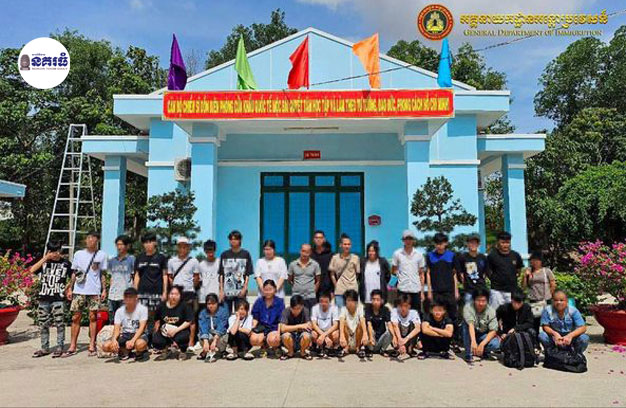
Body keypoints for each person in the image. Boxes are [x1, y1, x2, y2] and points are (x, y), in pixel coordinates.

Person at [67, 231, 108, 357]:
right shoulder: (78, 254)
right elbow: (74, 273)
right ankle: (72, 345)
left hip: (94, 291)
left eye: (93, 238)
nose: (90, 240)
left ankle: (91, 345)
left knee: (93, 317)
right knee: (75, 317)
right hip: (79, 290)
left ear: (97, 240)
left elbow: (102, 274)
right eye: (88, 238)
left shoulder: (102, 255)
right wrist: (70, 288)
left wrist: (104, 289)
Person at [30, 241, 72, 358]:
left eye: (57, 251)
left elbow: (74, 275)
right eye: (52, 251)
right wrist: (45, 258)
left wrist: (69, 288)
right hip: (44, 297)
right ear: (49, 251)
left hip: (58, 297)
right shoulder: (44, 262)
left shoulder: (65, 263)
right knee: (43, 324)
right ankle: (45, 348)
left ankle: (60, 347)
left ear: (60, 251)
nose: (55, 254)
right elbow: (31, 270)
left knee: (59, 323)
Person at [167, 237, 200, 352]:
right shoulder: (171, 261)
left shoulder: (194, 261)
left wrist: (191, 287)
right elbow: (170, 277)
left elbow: (196, 277)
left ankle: (191, 341)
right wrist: (175, 289)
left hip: (189, 292)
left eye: (185, 246)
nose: (182, 248)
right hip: (176, 294)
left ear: (189, 247)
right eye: (180, 246)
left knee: (191, 319)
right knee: (176, 318)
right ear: (177, 247)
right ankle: (175, 342)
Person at [102, 287, 149, 361]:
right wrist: (114, 340)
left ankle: (139, 352)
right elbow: (116, 329)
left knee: (140, 344)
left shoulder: (143, 310)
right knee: (106, 346)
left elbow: (142, 328)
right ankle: (124, 351)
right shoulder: (119, 311)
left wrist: (133, 340)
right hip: (125, 334)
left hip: (138, 335)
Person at [134, 232, 168, 330]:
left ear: (155, 243)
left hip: (156, 292)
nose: (148, 244)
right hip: (142, 292)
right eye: (145, 242)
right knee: (143, 316)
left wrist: (165, 292)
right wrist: (135, 291)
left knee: (156, 317)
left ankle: (154, 336)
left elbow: (164, 275)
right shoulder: (139, 258)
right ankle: (144, 336)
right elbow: (137, 275)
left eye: (150, 242)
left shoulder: (161, 258)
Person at [539, 290, 589, 354]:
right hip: (555, 337)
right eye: (556, 300)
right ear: (552, 301)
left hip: (570, 336)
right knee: (542, 336)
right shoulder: (547, 310)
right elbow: (545, 327)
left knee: (584, 338)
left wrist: (570, 336)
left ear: (567, 301)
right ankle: (550, 353)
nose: (559, 302)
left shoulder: (573, 311)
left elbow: (583, 328)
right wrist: (555, 334)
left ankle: (577, 354)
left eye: (561, 300)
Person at [152, 285, 194, 360]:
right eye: (171, 294)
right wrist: (157, 332)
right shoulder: (161, 306)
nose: (174, 296)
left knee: (183, 338)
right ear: (168, 295)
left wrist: (175, 330)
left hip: (180, 330)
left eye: (176, 294)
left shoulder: (184, 305)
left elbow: (188, 321)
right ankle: (165, 350)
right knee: (156, 340)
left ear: (180, 295)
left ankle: (183, 351)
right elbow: (157, 320)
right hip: (165, 330)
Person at [426, 233, 459, 322]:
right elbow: (428, 273)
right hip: (436, 291)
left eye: (441, 243)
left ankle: (453, 330)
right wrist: (429, 291)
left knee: (453, 315)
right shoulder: (430, 256)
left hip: (449, 291)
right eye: (437, 243)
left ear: (446, 243)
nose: (439, 246)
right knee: (437, 315)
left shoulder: (452, 255)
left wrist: (456, 291)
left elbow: (454, 274)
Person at [462, 288, 500, 364]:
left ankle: (480, 350)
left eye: (483, 301)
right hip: (469, 332)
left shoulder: (491, 311)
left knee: (496, 344)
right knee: (465, 325)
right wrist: (473, 341)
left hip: (482, 334)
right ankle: (469, 353)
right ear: (474, 300)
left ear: (487, 301)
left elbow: (493, 330)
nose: (481, 303)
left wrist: (482, 344)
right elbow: (471, 325)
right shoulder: (468, 308)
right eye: (478, 300)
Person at [218, 230, 253, 314]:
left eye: (235, 239)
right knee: (226, 314)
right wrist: (221, 290)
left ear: (240, 240)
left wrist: (245, 288)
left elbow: (247, 273)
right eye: (231, 239)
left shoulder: (245, 254)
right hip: (227, 291)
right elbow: (221, 274)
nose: (233, 241)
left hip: (240, 291)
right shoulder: (224, 254)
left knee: (241, 314)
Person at [522, 250, 556, 335]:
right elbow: (524, 286)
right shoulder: (528, 270)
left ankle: (549, 340)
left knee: (547, 322)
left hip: (545, 300)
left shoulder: (546, 271)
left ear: (541, 261)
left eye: (537, 260)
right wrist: (525, 276)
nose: (535, 262)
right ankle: (535, 341)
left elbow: (553, 284)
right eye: (533, 260)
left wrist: (549, 295)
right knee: (534, 323)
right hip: (533, 301)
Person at [487, 231, 523, 309]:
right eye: (503, 243)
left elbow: (519, 270)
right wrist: (495, 279)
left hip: (512, 291)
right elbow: (488, 271)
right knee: (495, 313)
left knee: (510, 314)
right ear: (498, 242)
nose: (505, 245)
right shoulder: (492, 255)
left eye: (507, 242)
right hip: (496, 291)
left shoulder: (516, 255)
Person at [392, 230, 425, 313]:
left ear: (413, 240)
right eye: (406, 239)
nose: (408, 241)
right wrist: (400, 276)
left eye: (410, 239)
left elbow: (421, 274)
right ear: (403, 240)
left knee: (416, 313)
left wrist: (422, 292)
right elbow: (394, 270)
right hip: (402, 288)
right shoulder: (397, 254)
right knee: (402, 312)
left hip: (415, 289)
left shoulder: (419, 255)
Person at [250, 280, 284, 355]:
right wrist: (251, 329)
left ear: (275, 289)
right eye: (266, 290)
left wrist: (278, 334)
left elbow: (281, 320)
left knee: (273, 340)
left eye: (270, 289)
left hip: (273, 327)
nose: (268, 292)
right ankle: (264, 345)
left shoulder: (279, 302)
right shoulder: (259, 301)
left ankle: (276, 347)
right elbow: (255, 318)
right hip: (262, 328)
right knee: (253, 339)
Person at [455, 235, 490, 305]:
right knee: (468, 311)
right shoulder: (462, 257)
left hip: (481, 290)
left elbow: (486, 273)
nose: (473, 245)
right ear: (467, 244)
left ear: (478, 244)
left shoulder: (483, 257)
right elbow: (460, 273)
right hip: (469, 291)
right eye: (471, 243)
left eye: (475, 243)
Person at [107, 235, 135, 319]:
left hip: (126, 294)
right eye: (117, 244)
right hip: (113, 295)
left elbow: (135, 276)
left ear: (127, 246)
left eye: (121, 244)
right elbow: (111, 277)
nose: (119, 247)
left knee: (125, 319)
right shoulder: (112, 261)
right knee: (113, 319)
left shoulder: (131, 259)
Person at [329, 234, 360, 308]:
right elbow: (332, 274)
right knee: (340, 311)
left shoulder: (355, 258)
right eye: (345, 244)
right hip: (340, 290)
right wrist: (336, 284)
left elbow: (357, 273)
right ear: (340, 245)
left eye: (349, 244)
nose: (347, 246)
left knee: (352, 311)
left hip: (352, 289)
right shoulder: (335, 258)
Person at [288, 244, 321, 312]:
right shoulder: (293, 264)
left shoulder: (315, 264)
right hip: (296, 296)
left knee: (310, 316)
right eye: (303, 251)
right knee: (296, 315)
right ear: (300, 251)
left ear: (310, 252)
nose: (305, 254)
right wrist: (297, 287)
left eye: (307, 252)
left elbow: (318, 281)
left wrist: (313, 291)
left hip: (310, 297)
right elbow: (290, 280)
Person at [197, 293, 229, 362]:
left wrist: (215, 341)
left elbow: (222, 327)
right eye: (209, 304)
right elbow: (203, 326)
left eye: (213, 303)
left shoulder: (223, 311)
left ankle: (222, 351)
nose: (211, 306)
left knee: (224, 336)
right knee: (200, 335)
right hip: (209, 333)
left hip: (219, 334)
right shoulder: (203, 313)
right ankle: (206, 351)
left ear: (217, 303)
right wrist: (205, 341)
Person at [280, 295, 313, 360]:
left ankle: (303, 352)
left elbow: (309, 326)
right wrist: (300, 326)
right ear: (290, 307)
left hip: (301, 338)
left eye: (298, 308)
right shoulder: (286, 311)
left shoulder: (305, 310)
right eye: (293, 308)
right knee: (285, 336)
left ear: (302, 306)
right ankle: (290, 352)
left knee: (307, 336)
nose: (296, 311)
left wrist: (290, 328)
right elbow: (282, 328)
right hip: (290, 339)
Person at [359, 240, 391, 305]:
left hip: (379, 297)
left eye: (373, 251)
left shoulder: (382, 262)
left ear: (376, 251)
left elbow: (387, 276)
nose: (371, 253)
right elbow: (359, 277)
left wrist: (383, 283)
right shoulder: (363, 262)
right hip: (366, 296)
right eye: (369, 251)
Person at [390, 293, 421, 357]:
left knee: (414, 325)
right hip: (399, 336)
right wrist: (400, 342)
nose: (403, 308)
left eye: (406, 306)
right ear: (398, 306)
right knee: (390, 324)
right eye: (401, 306)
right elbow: (395, 326)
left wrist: (406, 339)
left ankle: (410, 347)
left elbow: (418, 328)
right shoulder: (394, 311)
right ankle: (398, 348)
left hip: (409, 337)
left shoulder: (414, 313)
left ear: (409, 306)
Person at [338, 289, 368, 358]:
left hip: (357, 337)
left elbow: (362, 319)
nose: (350, 303)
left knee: (360, 324)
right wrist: (341, 335)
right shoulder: (343, 309)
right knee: (344, 322)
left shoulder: (360, 308)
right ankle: (346, 348)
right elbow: (341, 321)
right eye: (348, 300)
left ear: (356, 302)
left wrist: (365, 333)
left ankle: (358, 348)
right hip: (347, 336)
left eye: (352, 300)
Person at [310, 291, 340, 357]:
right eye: (321, 301)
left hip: (329, 332)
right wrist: (323, 335)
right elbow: (314, 324)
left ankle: (333, 347)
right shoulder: (315, 308)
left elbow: (335, 325)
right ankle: (318, 347)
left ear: (330, 301)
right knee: (313, 334)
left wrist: (324, 335)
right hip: (319, 332)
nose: (323, 304)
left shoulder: (334, 308)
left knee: (336, 334)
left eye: (326, 302)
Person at [365, 289, 392, 357]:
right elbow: (369, 324)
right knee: (368, 330)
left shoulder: (385, 309)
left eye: (378, 300)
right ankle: (369, 350)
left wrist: (394, 338)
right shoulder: (368, 309)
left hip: (380, 339)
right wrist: (371, 337)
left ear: (382, 300)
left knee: (390, 332)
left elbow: (389, 323)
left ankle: (382, 350)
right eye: (373, 299)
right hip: (371, 339)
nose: (375, 302)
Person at [197, 240, 220, 315]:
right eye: (208, 251)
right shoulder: (200, 265)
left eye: (212, 250)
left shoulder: (219, 263)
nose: (210, 253)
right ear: (205, 251)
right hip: (203, 298)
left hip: (217, 297)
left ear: (215, 250)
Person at [311, 230, 333, 297]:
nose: (318, 240)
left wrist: (332, 290)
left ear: (324, 239)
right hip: (312, 288)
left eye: (320, 238)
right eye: (316, 238)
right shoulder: (310, 254)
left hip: (326, 289)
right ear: (313, 240)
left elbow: (333, 273)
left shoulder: (330, 255)